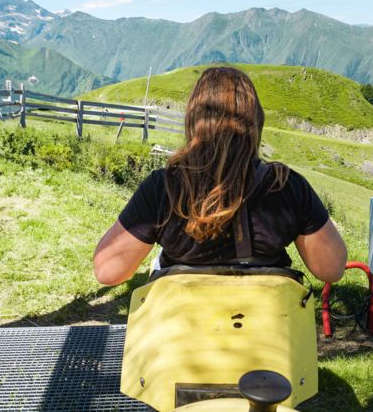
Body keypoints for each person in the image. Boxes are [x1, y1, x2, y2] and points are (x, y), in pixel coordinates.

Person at [93, 66, 347, 286]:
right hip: (267, 334)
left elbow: (108, 271)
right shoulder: (286, 185)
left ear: (193, 121)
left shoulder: (164, 187)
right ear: (256, 121)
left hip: (183, 334)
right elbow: (331, 269)